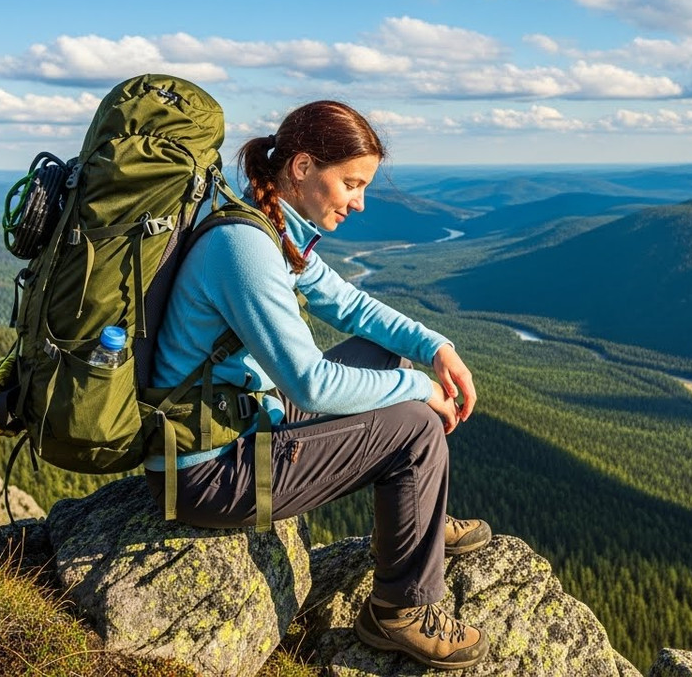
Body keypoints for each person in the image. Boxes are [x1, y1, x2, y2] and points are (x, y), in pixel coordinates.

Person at [144, 100, 491, 670]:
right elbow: (310, 384)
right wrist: (419, 390)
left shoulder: (265, 221)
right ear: (302, 167)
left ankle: (417, 522)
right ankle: (399, 610)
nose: (359, 201)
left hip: (240, 423)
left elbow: (348, 304)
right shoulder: (246, 247)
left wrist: (435, 347)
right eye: (351, 183)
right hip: (208, 476)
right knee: (416, 426)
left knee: (386, 355)